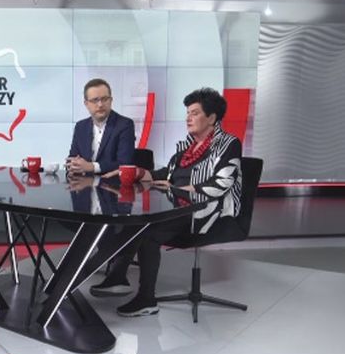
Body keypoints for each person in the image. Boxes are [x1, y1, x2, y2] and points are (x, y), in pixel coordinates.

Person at [91, 87, 243, 317]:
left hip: (208, 211)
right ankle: (118, 278)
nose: (188, 118)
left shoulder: (228, 144)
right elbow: (166, 173)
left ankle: (146, 299)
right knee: (135, 222)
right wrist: (136, 173)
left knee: (149, 231)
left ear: (212, 118)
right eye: (187, 113)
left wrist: (179, 189)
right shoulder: (187, 147)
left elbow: (222, 183)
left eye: (194, 113)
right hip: (180, 207)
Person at [67, 78, 136, 176]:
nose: (100, 105)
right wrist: (72, 166)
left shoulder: (124, 125)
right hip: (84, 183)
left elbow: (125, 164)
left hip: (112, 183)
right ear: (86, 104)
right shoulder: (80, 127)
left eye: (104, 99)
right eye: (95, 100)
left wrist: (92, 167)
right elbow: (72, 159)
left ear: (111, 100)